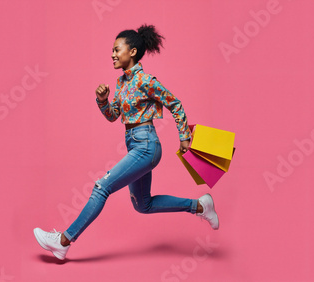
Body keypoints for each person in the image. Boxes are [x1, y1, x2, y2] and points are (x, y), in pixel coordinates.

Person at [34, 24, 219, 260]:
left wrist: (184, 135)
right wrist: (103, 100)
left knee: (101, 187)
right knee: (143, 205)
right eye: (112, 50)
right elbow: (113, 116)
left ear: (132, 52)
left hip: (147, 145)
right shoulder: (121, 84)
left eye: (116, 49)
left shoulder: (146, 80)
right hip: (134, 144)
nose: (112, 54)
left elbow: (175, 103)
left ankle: (64, 240)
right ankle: (201, 206)